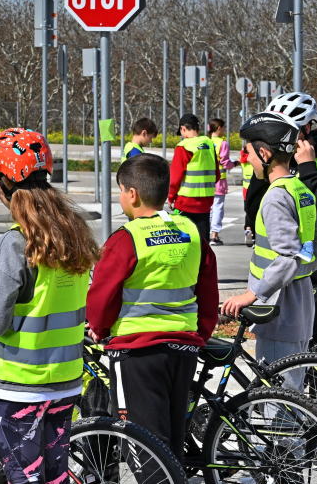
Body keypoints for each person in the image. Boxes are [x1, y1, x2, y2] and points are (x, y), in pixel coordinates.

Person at [0, 127, 101, 484]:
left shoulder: (16, 244)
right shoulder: (73, 235)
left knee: (25, 477)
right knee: (55, 476)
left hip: (20, 385)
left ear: (3, 186)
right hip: (64, 381)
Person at [86, 153, 218, 461]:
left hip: (137, 351)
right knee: (171, 443)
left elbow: (102, 296)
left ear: (132, 194)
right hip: (183, 349)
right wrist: (199, 333)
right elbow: (208, 292)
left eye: (120, 190)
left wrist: (99, 328)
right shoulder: (190, 231)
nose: (120, 197)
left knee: (145, 448)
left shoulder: (125, 238)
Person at [221, 112, 317, 388]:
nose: (247, 159)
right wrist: (300, 273)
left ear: (264, 153)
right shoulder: (299, 189)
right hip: (299, 304)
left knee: (279, 404)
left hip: (278, 311)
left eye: (248, 153)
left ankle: (296, 434)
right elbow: (316, 248)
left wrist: (252, 294)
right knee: (292, 391)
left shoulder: (274, 198)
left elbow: (290, 255)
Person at [266, 92, 317, 344]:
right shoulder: (282, 159)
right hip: (285, 266)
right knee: (284, 342)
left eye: (286, 130)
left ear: (305, 128)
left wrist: (308, 168)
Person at [168, 113, 220, 242]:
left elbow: (175, 177)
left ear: (183, 128)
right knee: (202, 244)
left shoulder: (184, 146)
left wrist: (170, 197)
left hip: (185, 203)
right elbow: (217, 175)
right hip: (205, 203)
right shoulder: (209, 144)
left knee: (183, 242)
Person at [207, 118, 239, 246]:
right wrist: (236, 163)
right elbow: (226, 163)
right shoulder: (222, 143)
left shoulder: (206, 141)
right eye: (224, 127)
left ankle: (207, 234)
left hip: (207, 181)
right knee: (218, 208)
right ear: (219, 128)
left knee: (209, 208)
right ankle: (215, 235)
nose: (225, 130)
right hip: (219, 181)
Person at [239, 143, 255, 247]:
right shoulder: (254, 159)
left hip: (245, 189)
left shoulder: (244, 160)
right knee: (256, 211)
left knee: (248, 211)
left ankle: (248, 229)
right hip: (255, 188)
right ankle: (255, 236)